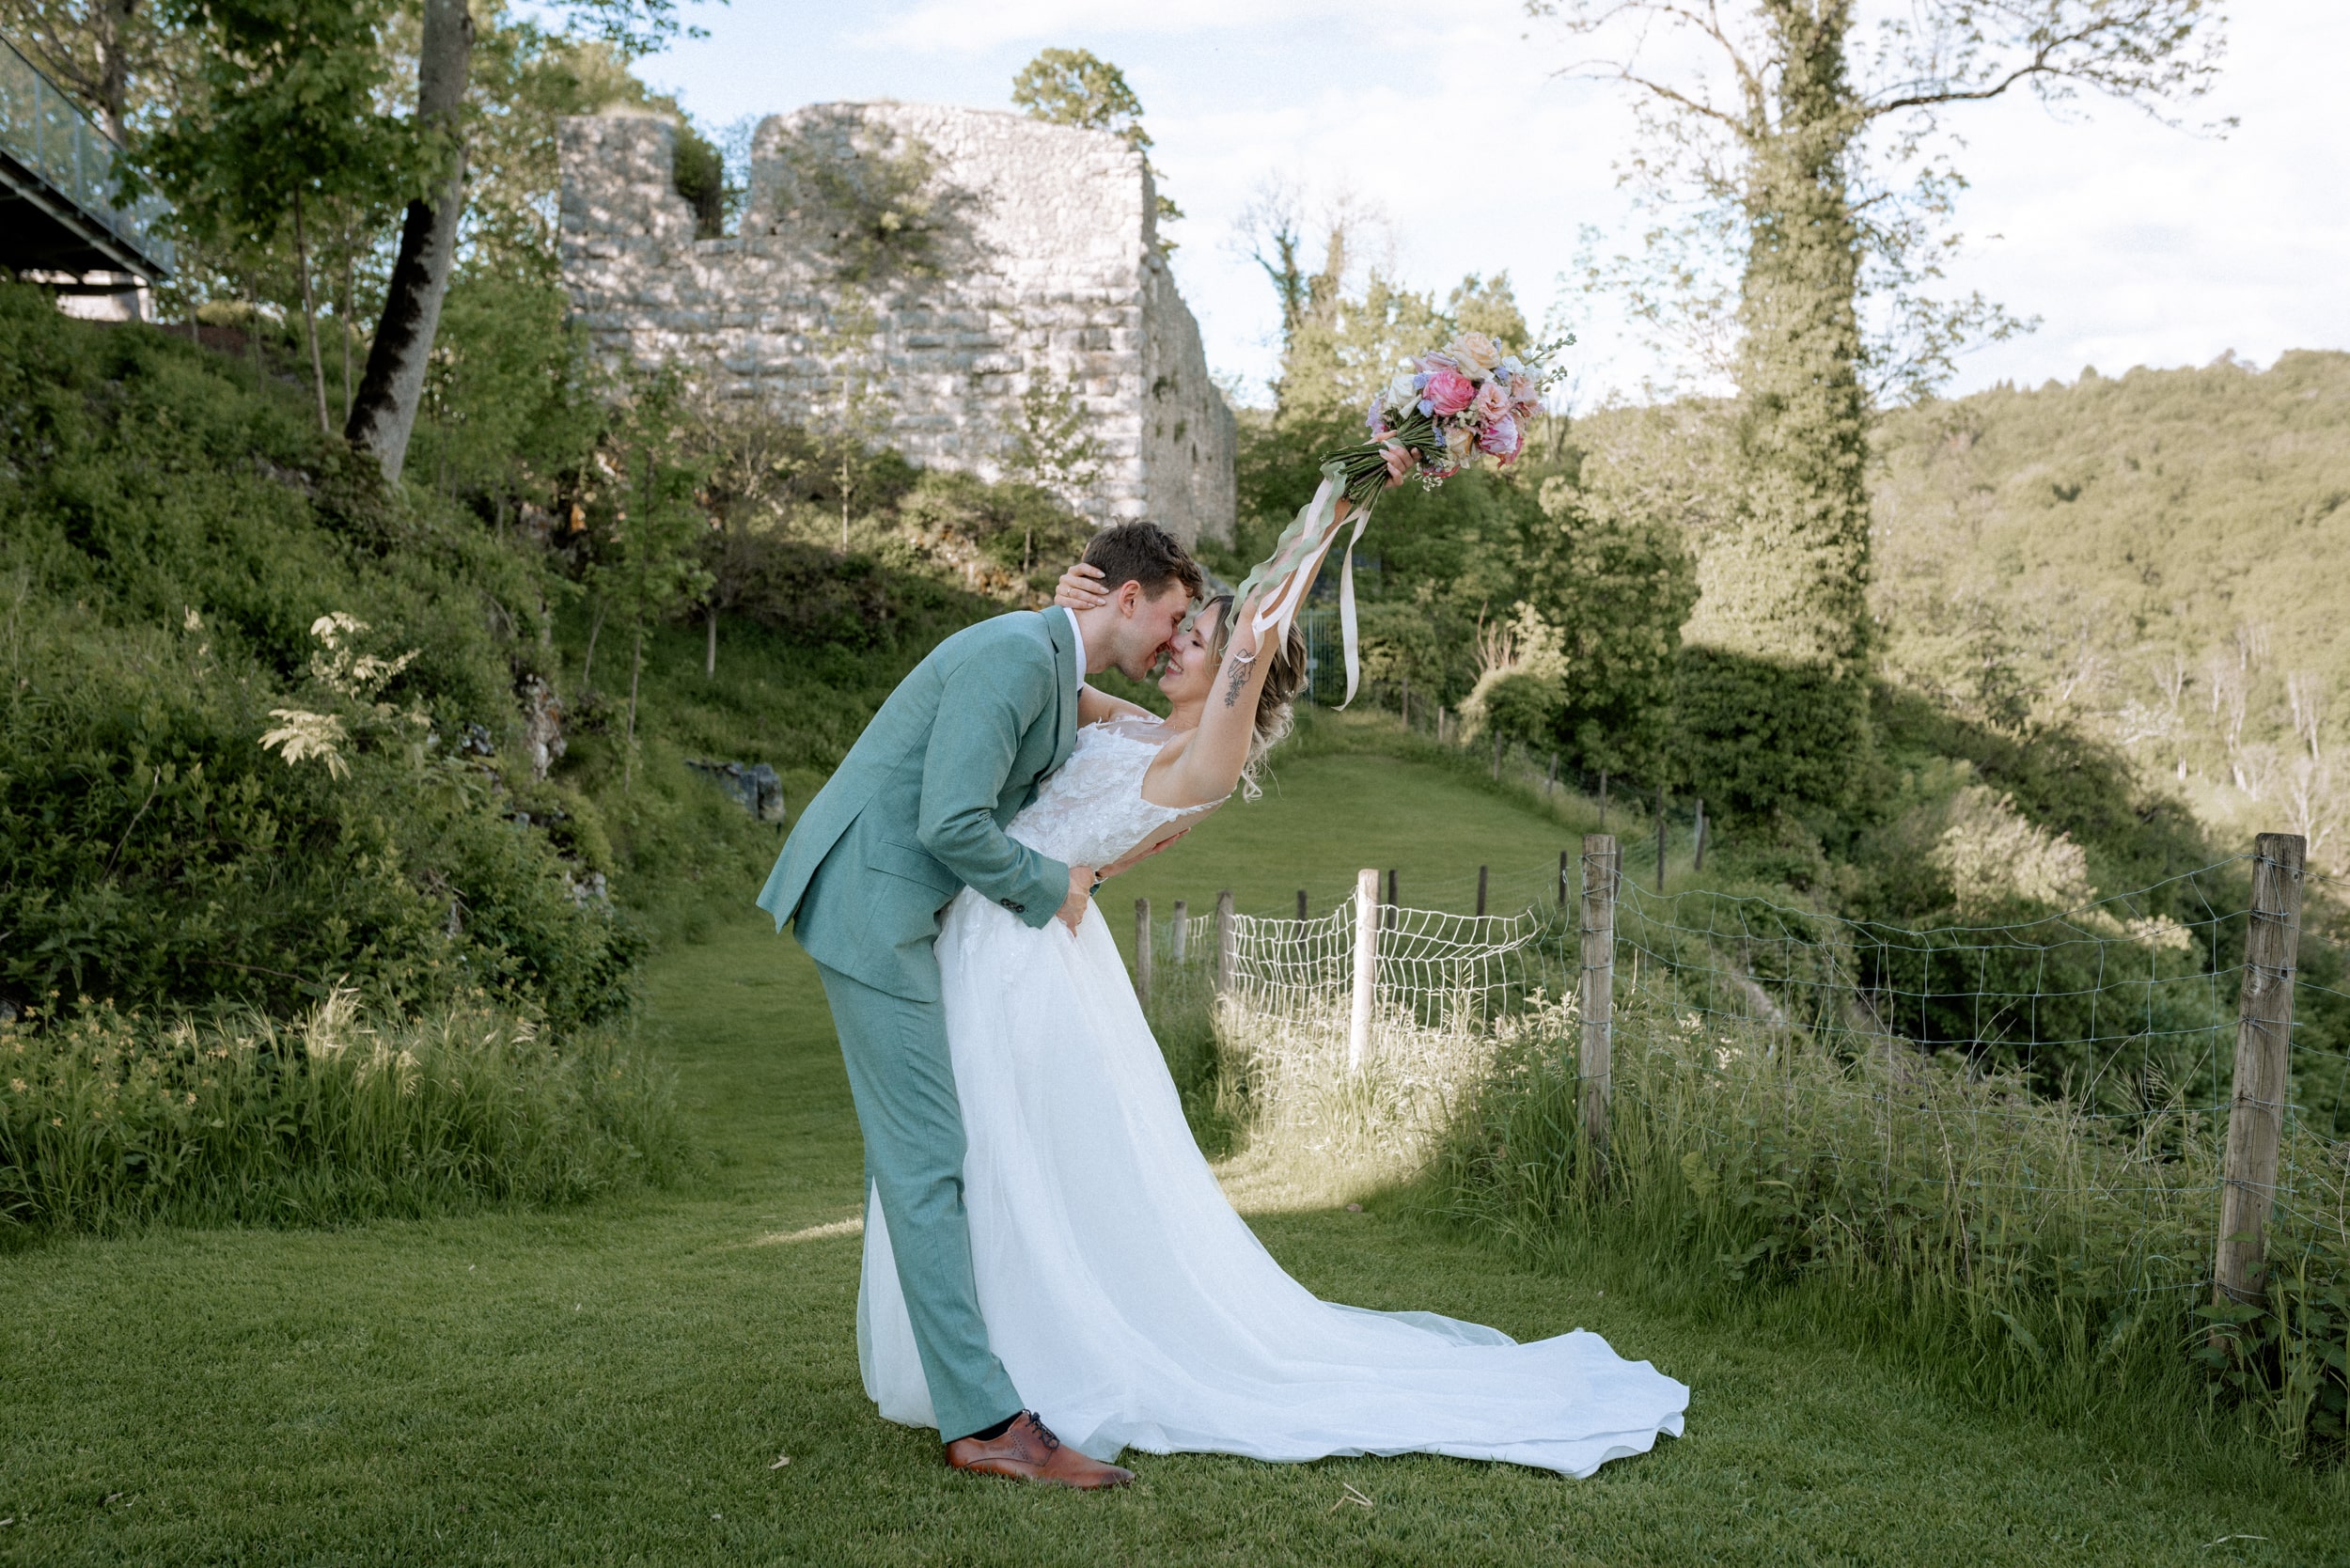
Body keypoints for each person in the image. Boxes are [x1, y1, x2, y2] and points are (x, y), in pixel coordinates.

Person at [853, 506, 1689, 1482]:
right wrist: (1070, 604)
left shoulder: (1204, 760)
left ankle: (1022, 1370)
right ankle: (981, 1366)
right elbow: (1047, 673)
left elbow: (1248, 636)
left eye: (1195, 637)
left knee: (1008, 1155)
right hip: (990, 936)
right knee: (979, 1149)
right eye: (1177, 626)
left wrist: (1345, 499)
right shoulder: (1134, 727)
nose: (1175, 643)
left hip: (1025, 957)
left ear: (1236, 668)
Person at [757, 520, 1202, 1489]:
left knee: (922, 1154)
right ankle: (985, 1423)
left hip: (893, 903)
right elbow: (951, 822)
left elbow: (1108, 716)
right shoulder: (1016, 656)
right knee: (927, 1159)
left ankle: (953, 1382)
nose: (1175, 639)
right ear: (1129, 597)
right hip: (871, 904)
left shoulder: (1046, 656)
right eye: (1173, 617)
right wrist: (1056, 888)